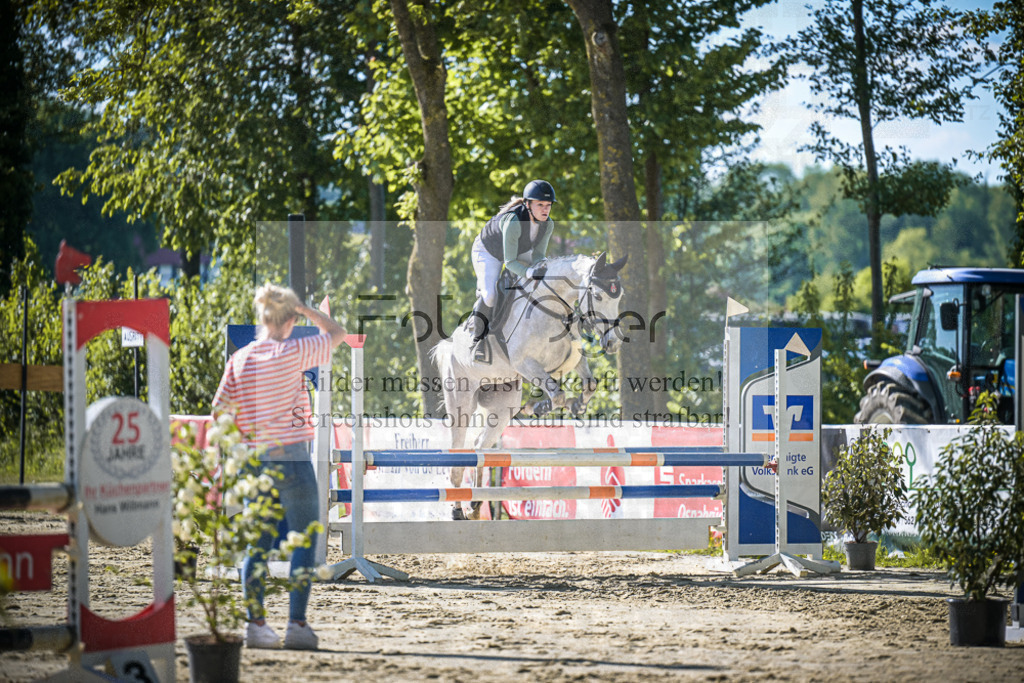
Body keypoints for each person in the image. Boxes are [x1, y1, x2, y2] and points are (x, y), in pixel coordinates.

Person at [211, 283, 346, 651]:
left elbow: (219, 413)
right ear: (288, 320)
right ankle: (297, 624)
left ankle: (256, 624)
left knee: (258, 543)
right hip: (292, 457)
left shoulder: (239, 360)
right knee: (304, 537)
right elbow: (337, 334)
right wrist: (307, 310)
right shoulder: (292, 351)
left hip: (255, 461)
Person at [468, 179, 557, 349]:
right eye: (540, 205)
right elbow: (509, 262)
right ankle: (477, 337)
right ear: (528, 204)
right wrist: (529, 273)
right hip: (488, 252)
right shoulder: (514, 221)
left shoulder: (548, 225)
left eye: (548, 205)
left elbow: (538, 255)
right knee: (490, 295)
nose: (545, 209)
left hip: (516, 249)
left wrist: (541, 268)